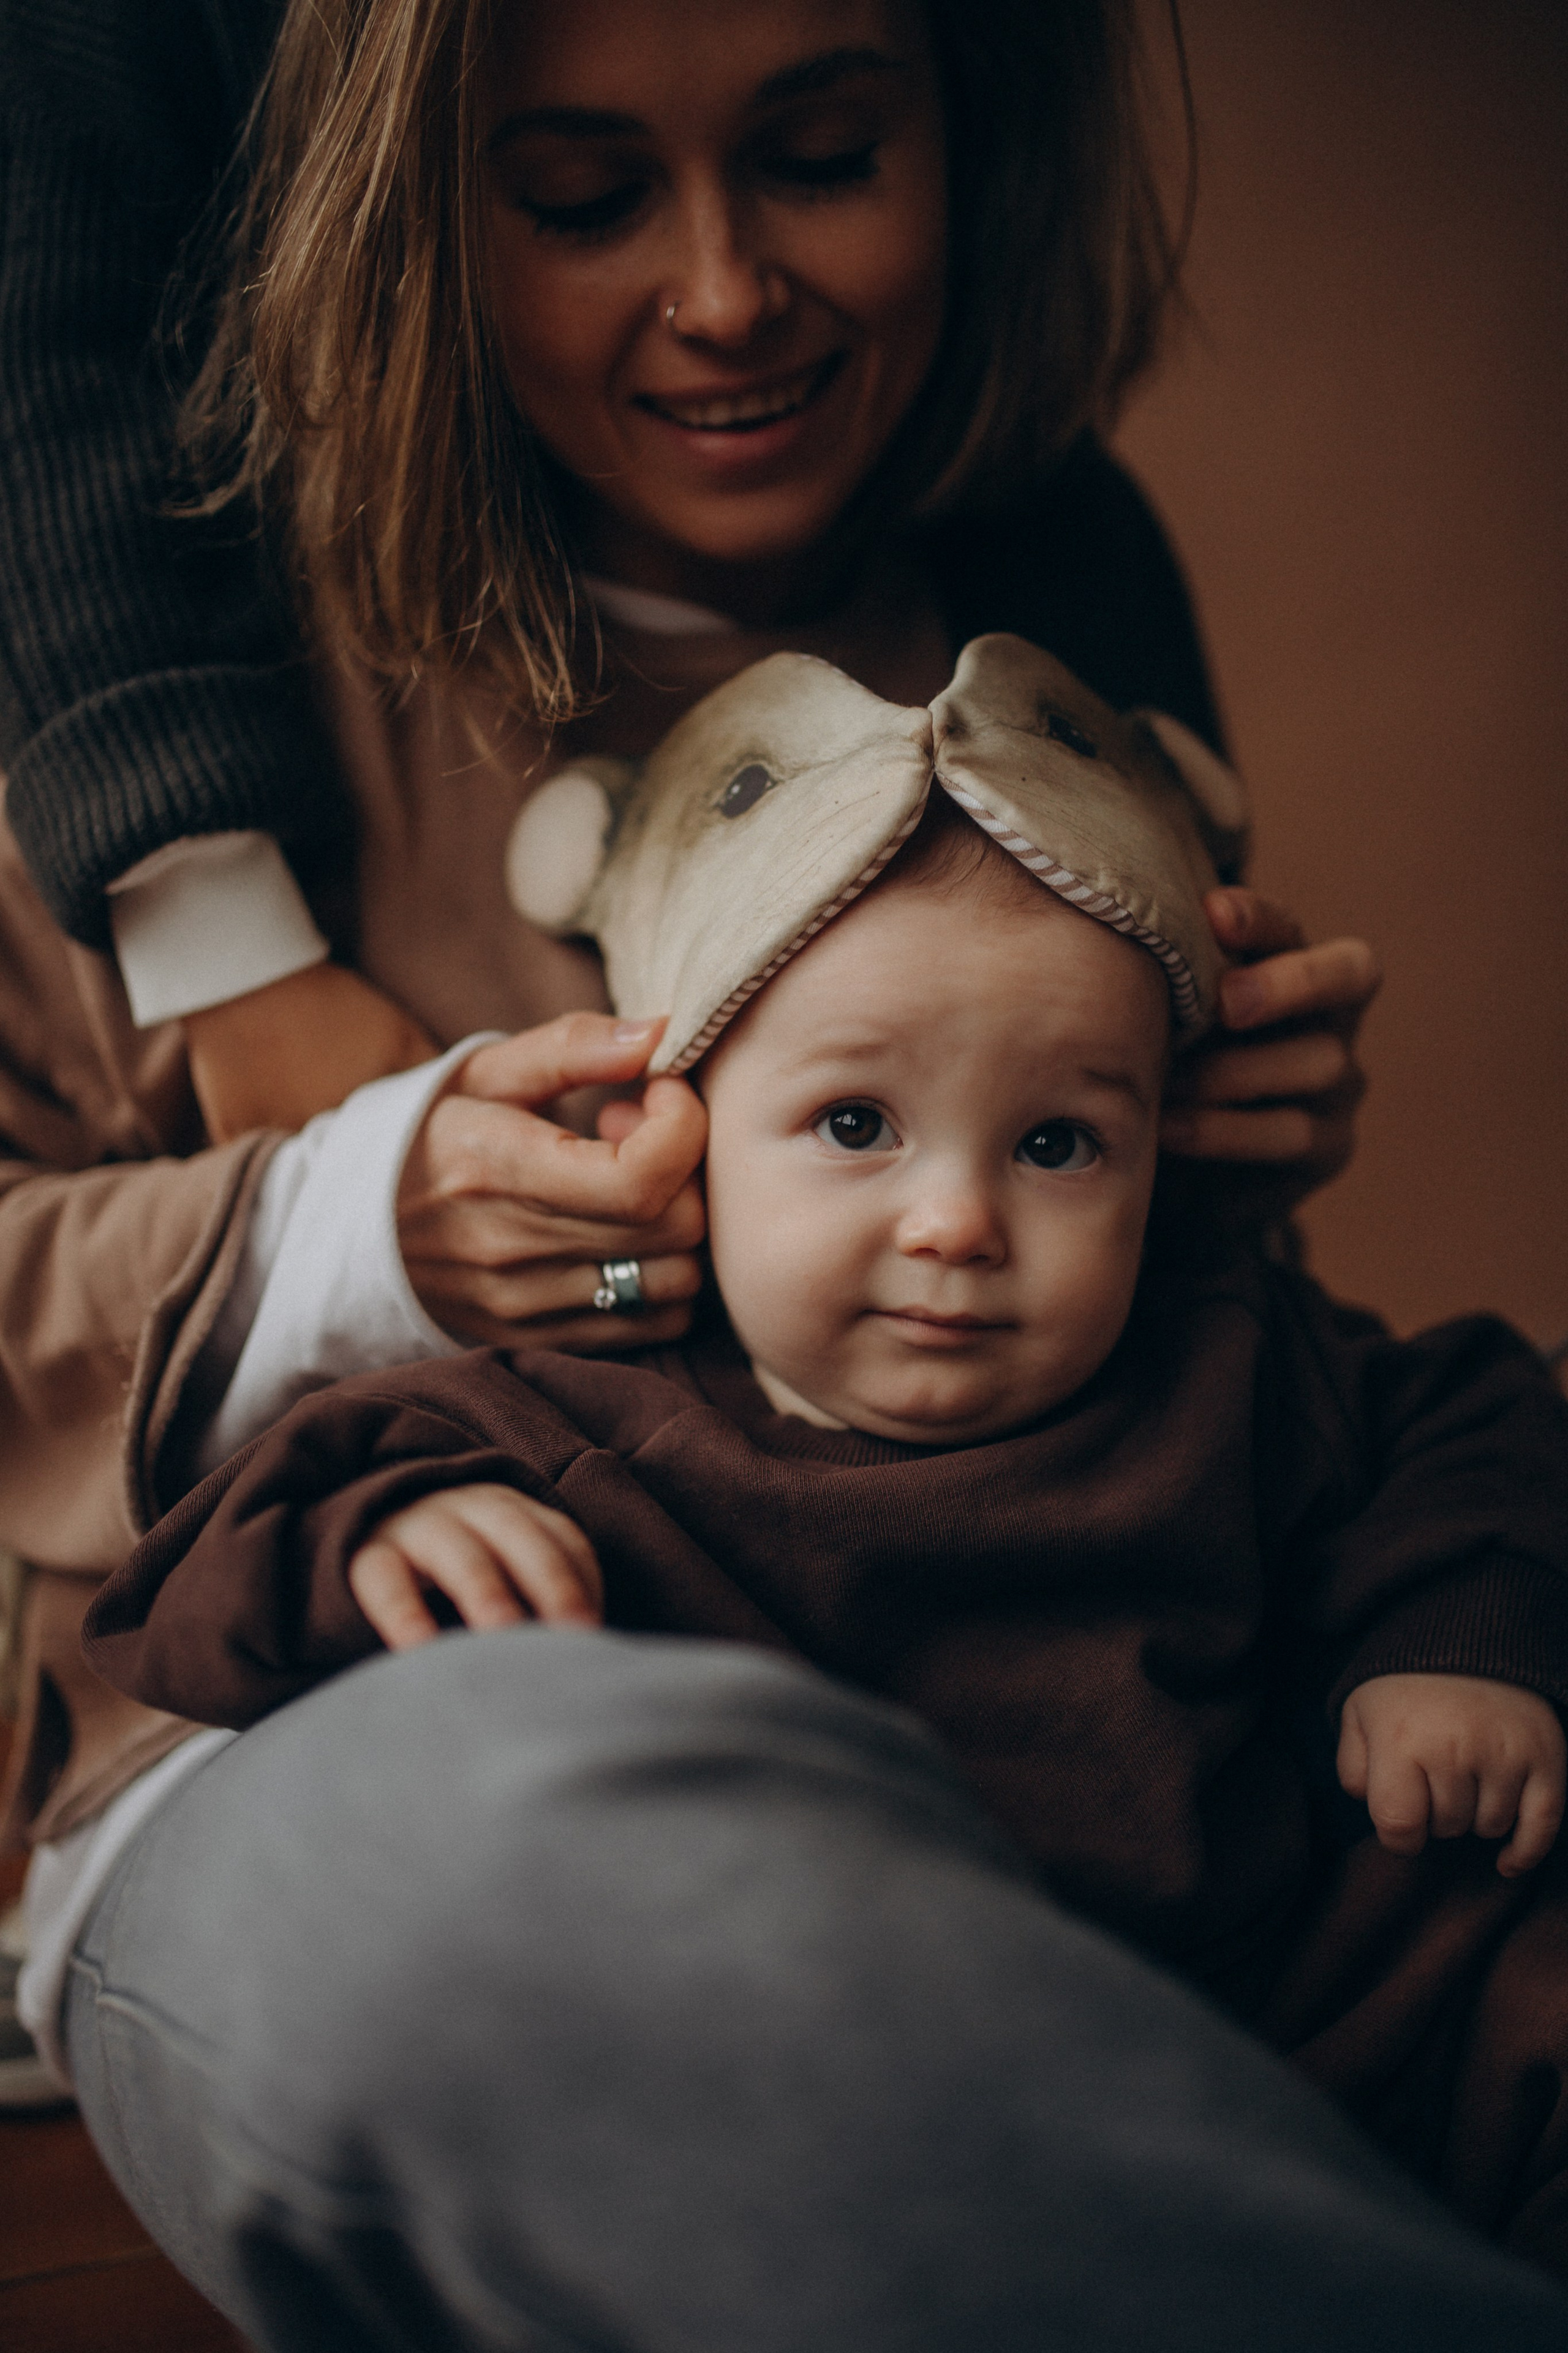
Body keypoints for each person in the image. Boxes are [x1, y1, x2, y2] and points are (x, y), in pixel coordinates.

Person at [8, 0, 1531, 2343]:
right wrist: (350, 1214)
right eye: (585, 197)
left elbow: (1213, 1418)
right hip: (341, 1736)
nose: (724, 298)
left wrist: (1213, 1162)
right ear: (417, 212)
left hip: (1105, 1772)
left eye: (822, 154)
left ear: (970, 130)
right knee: (564, 1880)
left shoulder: (1055, 652)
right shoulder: (149, 707)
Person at [86, 636, 1568, 2283]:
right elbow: (198, 1570)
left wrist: (1454, 1644)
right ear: (678, 1127)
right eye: (856, 1124)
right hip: (865, 2036)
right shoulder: (588, 1412)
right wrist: (386, 1531)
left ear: (1167, 1141)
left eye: (1059, 1141)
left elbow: (1476, 1420)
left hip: (1294, 1988)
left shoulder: (1222, 1356)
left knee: (1519, 1950)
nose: (956, 1222)